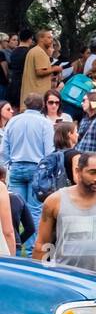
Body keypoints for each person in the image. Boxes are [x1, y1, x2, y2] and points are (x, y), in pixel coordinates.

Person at [33, 152, 96, 276]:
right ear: (78, 171)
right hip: (63, 278)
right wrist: (40, 277)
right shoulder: (55, 201)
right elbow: (42, 243)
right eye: (92, 172)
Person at [0, 93, 54, 240]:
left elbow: (4, 150)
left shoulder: (13, 121)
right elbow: (49, 151)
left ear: (25, 105)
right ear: (42, 106)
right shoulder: (45, 123)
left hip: (16, 167)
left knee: (15, 211)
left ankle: (14, 248)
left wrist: (5, 167)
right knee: (35, 211)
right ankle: (31, 252)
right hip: (37, 168)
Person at [20, 30, 58, 101]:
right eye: (49, 37)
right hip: (36, 97)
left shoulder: (35, 50)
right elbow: (40, 72)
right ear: (41, 39)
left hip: (32, 95)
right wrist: (55, 69)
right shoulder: (39, 52)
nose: (52, 40)